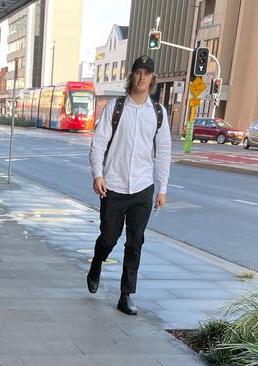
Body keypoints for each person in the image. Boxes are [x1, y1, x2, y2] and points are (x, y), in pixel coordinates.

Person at [86, 55, 171, 315]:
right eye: (138, 72)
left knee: (136, 241)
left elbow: (164, 150)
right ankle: (97, 262)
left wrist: (162, 187)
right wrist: (97, 175)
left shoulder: (158, 112)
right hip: (113, 185)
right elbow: (98, 143)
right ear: (131, 76)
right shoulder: (115, 107)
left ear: (152, 78)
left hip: (142, 188)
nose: (142, 77)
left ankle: (126, 295)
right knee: (109, 238)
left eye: (147, 73)